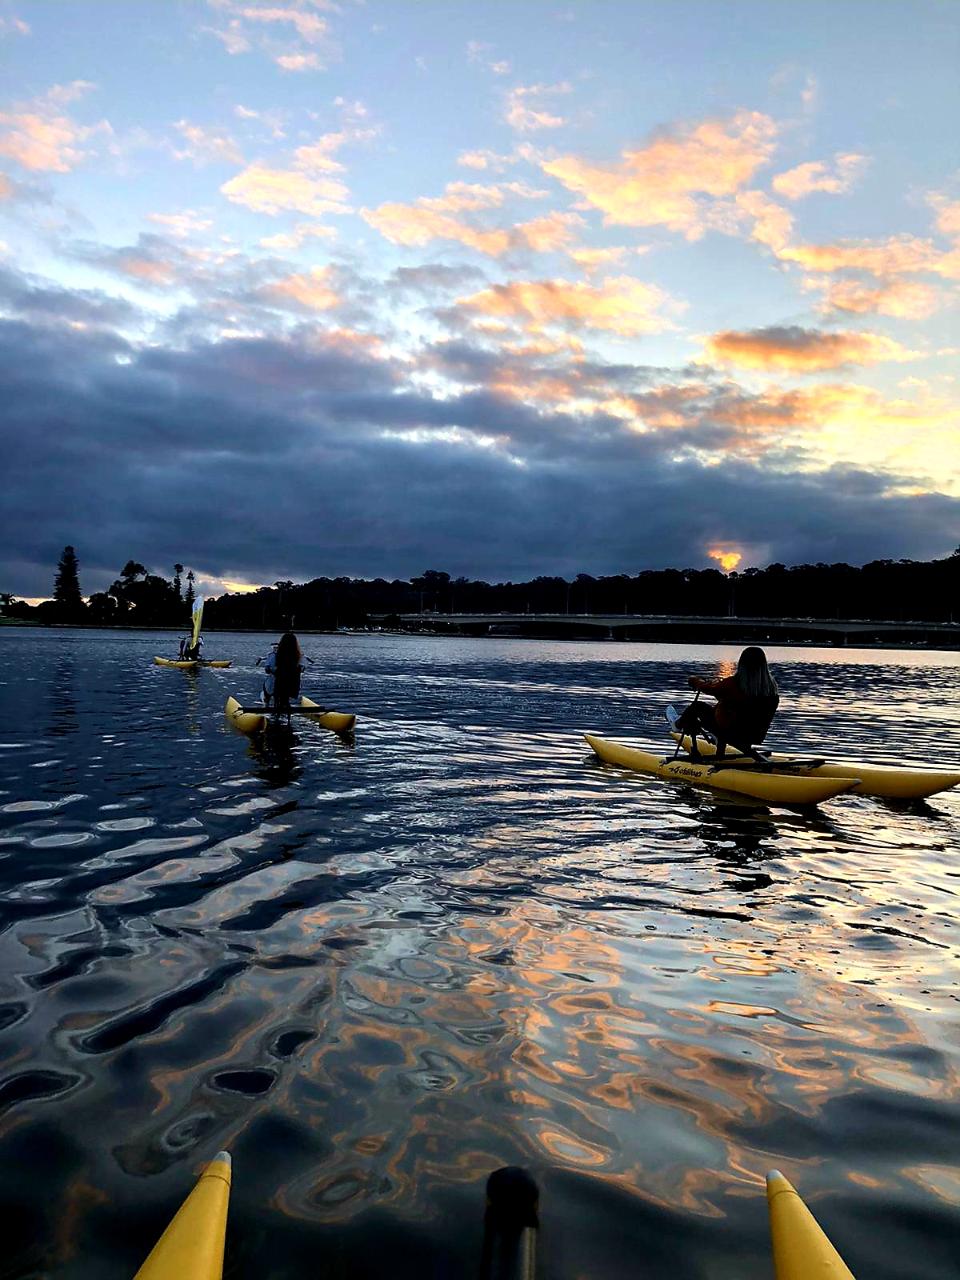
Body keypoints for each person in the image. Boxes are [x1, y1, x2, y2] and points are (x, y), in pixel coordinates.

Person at [675, 646, 779, 762]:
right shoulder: (771, 688)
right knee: (725, 711)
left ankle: (678, 724)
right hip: (754, 735)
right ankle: (720, 752)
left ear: (742, 664)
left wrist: (695, 681)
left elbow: (711, 689)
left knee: (697, 707)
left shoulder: (734, 683)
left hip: (730, 732)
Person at [272, 631, 305, 711]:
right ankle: (286, 703)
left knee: (280, 686)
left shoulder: (279, 654)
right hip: (293, 683)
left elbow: (276, 667)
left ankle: (278, 705)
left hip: (281, 681)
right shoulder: (296, 654)